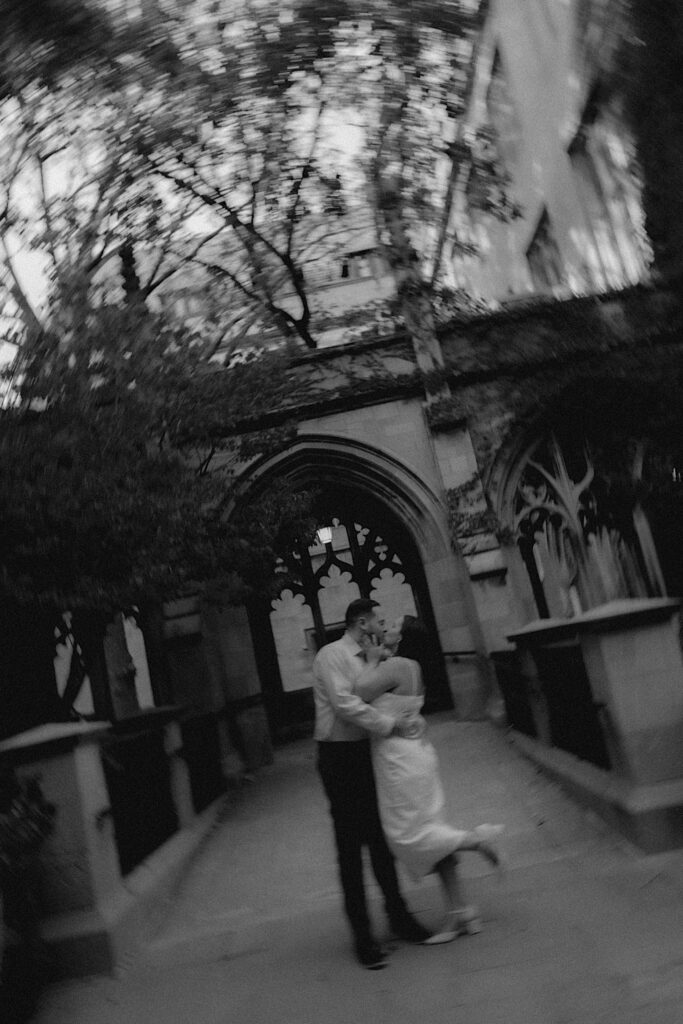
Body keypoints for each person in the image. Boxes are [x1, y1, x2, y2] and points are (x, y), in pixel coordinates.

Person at [355, 615, 504, 944]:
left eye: (390, 623)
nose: (383, 625)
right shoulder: (412, 667)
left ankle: (475, 841)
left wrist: (369, 659)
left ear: (401, 638)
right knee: (431, 827)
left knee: (408, 835)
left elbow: (359, 691)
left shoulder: (392, 667)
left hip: (399, 760)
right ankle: (461, 912)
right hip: (416, 754)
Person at [313, 598, 432, 970]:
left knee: (381, 839)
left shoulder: (374, 655)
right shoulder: (332, 655)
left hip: (370, 754)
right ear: (362, 623)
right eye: (378, 619)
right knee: (349, 846)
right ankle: (362, 937)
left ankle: (399, 917)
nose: (382, 624)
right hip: (339, 756)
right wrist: (390, 725)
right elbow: (344, 704)